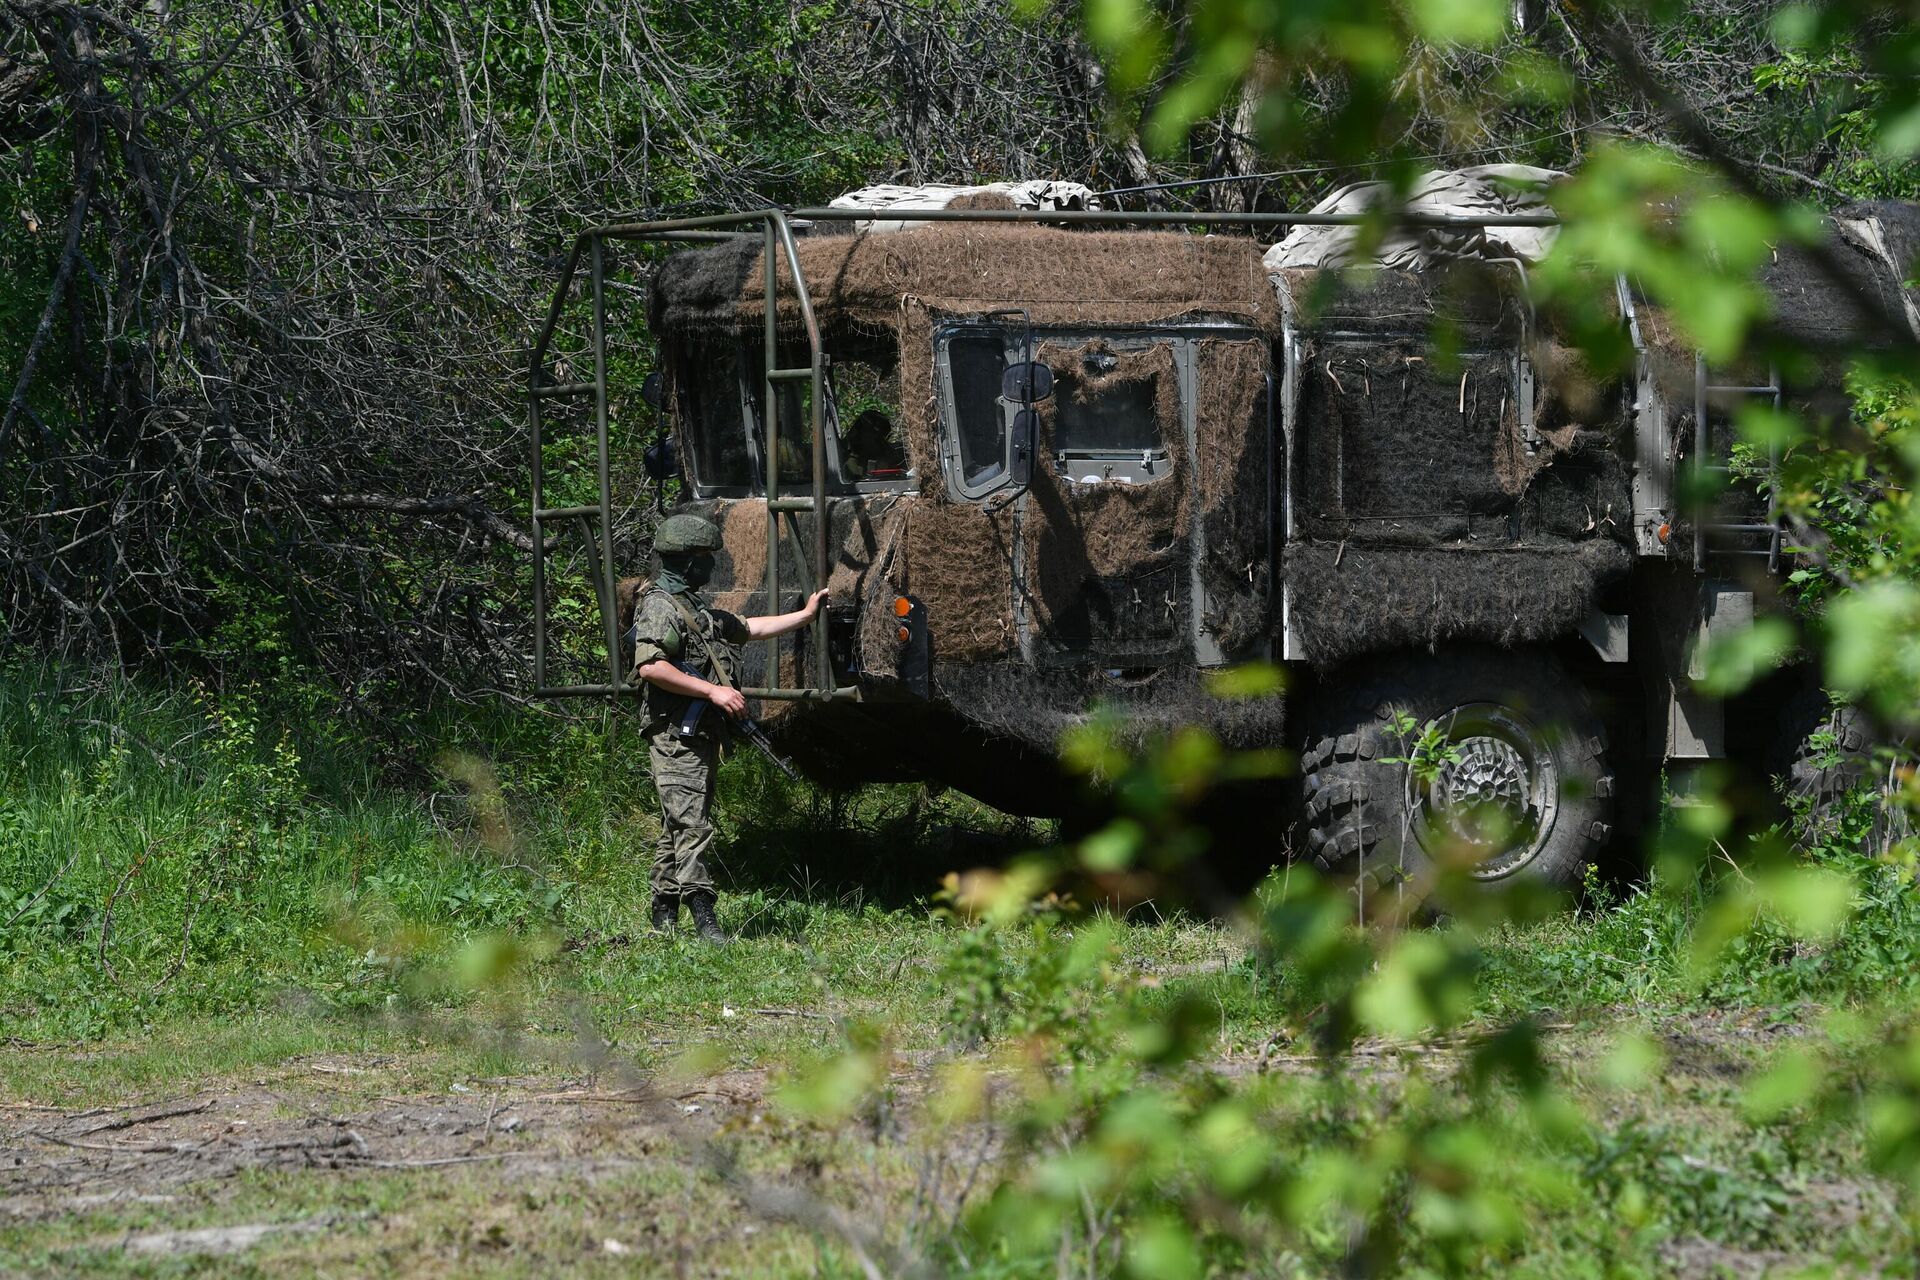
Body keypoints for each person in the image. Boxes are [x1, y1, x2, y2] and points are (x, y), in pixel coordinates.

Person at [628, 513, 827, 942]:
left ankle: (663, 914)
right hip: (673, 733)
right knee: (694, 825)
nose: (711, 565)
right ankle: (705, 918)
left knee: (678, 822)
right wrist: (713, 692)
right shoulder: (661, 606)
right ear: (686, 561)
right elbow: (650, 666)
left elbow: (750, 628)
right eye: (704, 557)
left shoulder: (695, 608)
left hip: (697, 734)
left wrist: (805, 616)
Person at [841, 407, 907, 480]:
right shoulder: (840, 454)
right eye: (878, 439)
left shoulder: (891, 452)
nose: (880, 443)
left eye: (882, 439)